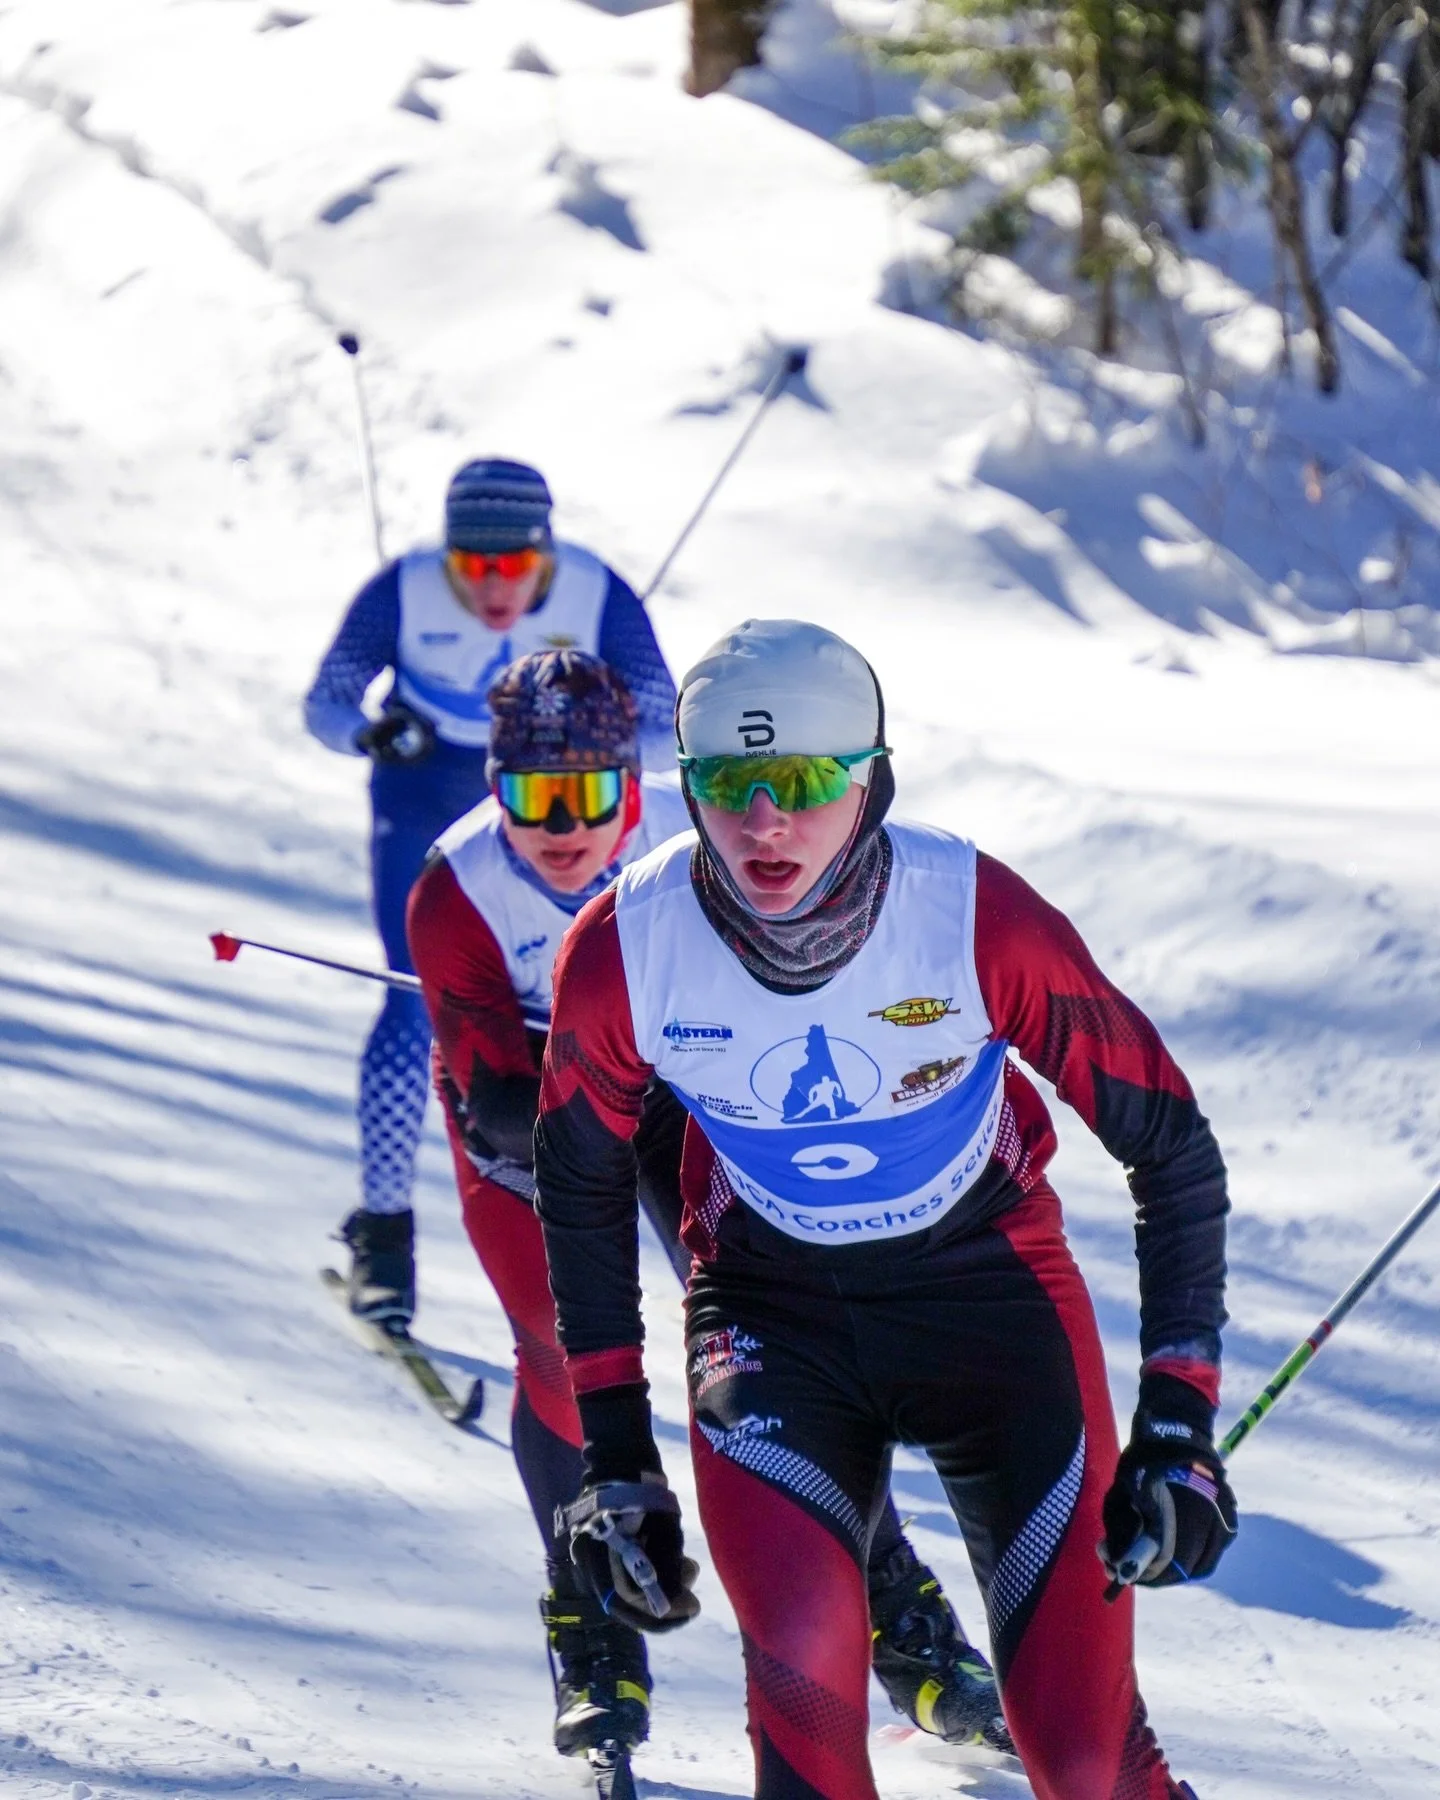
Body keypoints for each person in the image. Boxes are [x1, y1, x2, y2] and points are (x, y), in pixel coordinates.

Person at [533, 619, 1237, 1800]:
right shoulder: (624, 951)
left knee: (1084, 1761)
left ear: (872, 779)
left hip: (990, 1304)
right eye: (726, 785)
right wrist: (613, 1459)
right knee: (805, 1721)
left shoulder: (976, 917)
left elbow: (1169, 1146)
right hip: (772, 1318)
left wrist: (1179, 1416)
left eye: (806, 783)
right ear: (688, 790)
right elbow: (582, 1182)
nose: (767, 823)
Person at [406, 649, 1013, 1776]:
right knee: (554, 1339)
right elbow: (495, 1104)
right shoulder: (456, 890)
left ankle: (894, 1604)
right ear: (497, 795)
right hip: (539, 1124)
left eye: (591, 794)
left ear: (636, 790)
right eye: (533, 797)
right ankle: (590, 1617)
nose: (564, 826)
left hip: (683, 1099)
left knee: (765, 1339)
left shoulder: (683, 859)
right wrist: (584, 1054)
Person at [302, 457, 676, 1325]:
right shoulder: (402, 588)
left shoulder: (596, 591)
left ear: (546, 553)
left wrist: (608, 738)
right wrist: (371, 732)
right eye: (470, 567)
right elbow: (324, 701)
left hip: (568, 788)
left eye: (513, 567)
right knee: (414, 1000)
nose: (491, 587)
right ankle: (385, 1234)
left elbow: (665, 727)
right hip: (430, 779)